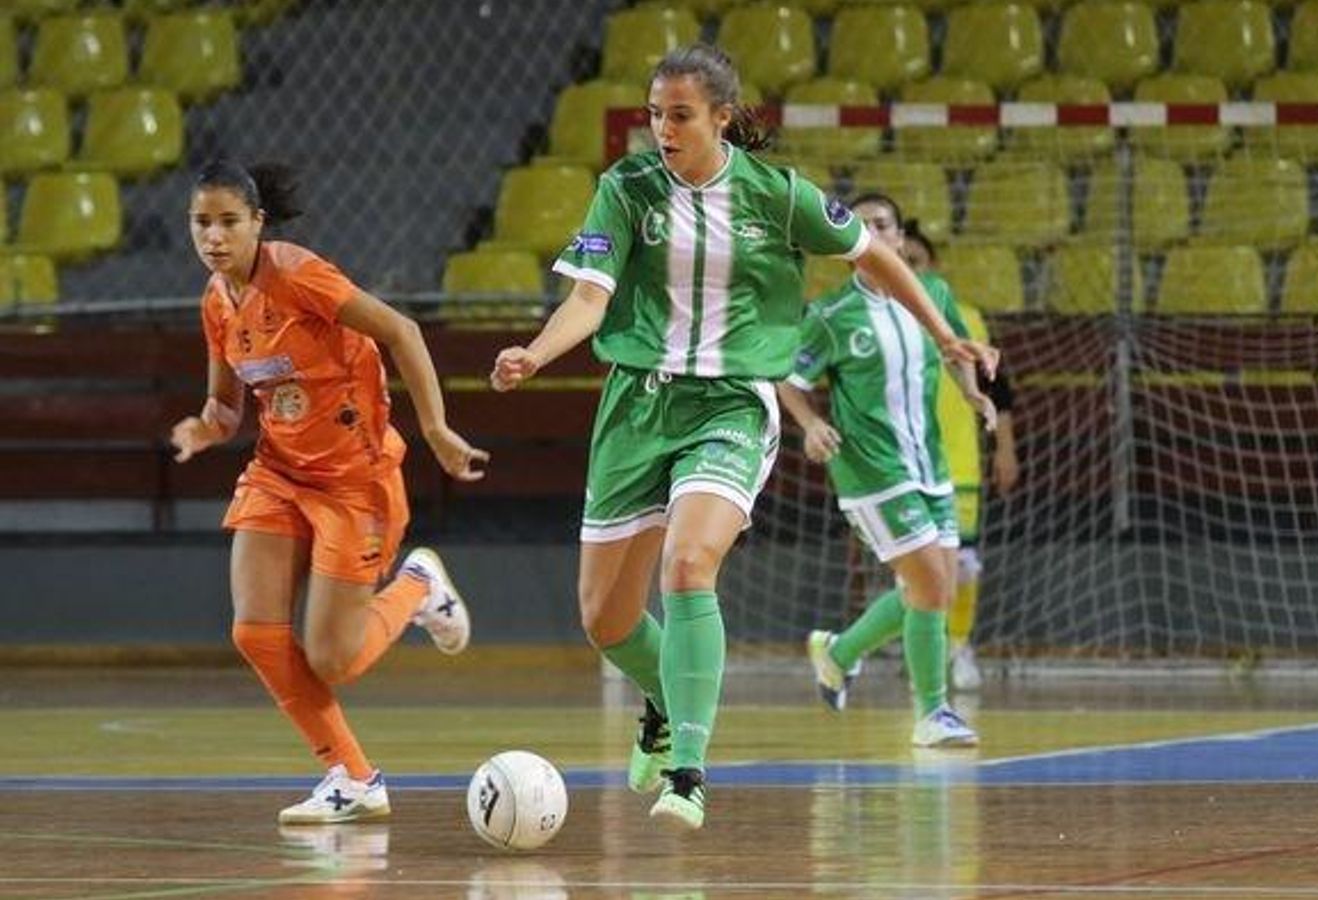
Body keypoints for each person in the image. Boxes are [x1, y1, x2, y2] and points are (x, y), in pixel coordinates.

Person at [489, 45, 997, 831]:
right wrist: (537, 351)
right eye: (655, 113)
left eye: (680, 115)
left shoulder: (776, 194)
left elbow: (876, 255)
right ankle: (662, 700)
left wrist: (945, 338)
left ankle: (688, 770)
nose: (663, 128)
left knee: (688, 563)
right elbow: (589, 300)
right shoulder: (625, 190)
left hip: (731, 402)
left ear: (722, 117)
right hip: (635, 406)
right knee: (604, 619)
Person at [169, 160, 488, 824]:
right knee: (255, 632)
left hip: (353, 480)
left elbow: (403, 330)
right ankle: (354, 776)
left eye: (230, 221)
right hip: (280, 472)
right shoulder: (215, 300)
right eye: (203, 222)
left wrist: (436, 428)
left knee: (332, 660)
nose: (215, 236)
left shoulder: (296, 274)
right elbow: (226, 409)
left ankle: (419, 586)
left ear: (258, 223)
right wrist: (204, 428)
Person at [779, 193, 996, 747]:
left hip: (929, 463)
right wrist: (810, 424)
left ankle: (840, 651)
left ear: (900, 239)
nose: (874, 233)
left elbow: (953, 350)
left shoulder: (933, 295)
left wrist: (972, 395)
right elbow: (787, 377)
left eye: (884, 225)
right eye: (862, 226)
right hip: (869, 469)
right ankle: (933, 713)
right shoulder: (831, 317)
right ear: (846, 245)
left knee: (937, 588)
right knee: (927, 584)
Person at [903, 225, 1021, 692]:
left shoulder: (964, 317)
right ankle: (926, 656)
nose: (910, 267)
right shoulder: (877, 315)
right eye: (902, 259)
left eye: (918, 260)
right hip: (902, 460)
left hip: (959, 459)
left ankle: (959, 645)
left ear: (933, 268)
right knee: (914, 568)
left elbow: (999, 388)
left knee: (964, 565)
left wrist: (1005, 447)